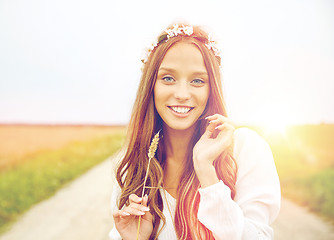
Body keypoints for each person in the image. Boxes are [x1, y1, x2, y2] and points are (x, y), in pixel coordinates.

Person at [109, 23, 281, 240]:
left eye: (197, 80)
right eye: (168, 78)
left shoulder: (245, 148)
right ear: (151, 85)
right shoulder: (133, 168)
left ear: (212, 88)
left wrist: (206, 171)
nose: (182, 94)